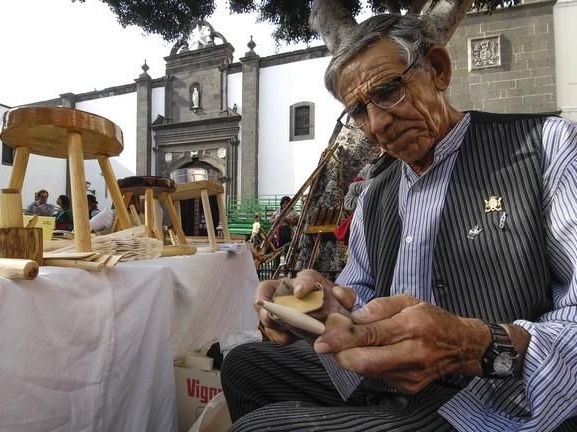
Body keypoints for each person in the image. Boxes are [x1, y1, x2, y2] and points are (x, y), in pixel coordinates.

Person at [221, 14, 577, 431]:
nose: (376, 124)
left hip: (488, 394)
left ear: (438, 70)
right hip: (387, 378)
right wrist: (319, 307)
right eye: (358, 110)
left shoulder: (544, 147)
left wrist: (474, 346)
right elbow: (363, 295)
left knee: (260, 427)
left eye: (388, 91)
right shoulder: (377, 191)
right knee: (244, 364)